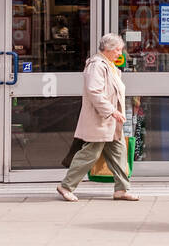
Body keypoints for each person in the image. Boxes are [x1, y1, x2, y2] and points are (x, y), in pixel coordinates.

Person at [57, 32, 138, 202]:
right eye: (117, 50)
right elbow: (94, 92)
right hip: (100, 120)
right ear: (108, 49)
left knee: (119, 153)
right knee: (90, 154)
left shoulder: (109, 65)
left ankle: (122, 189)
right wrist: (112, 111)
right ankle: (66, 186)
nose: (120, 53)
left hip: (111, 122)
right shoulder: (97, 65)